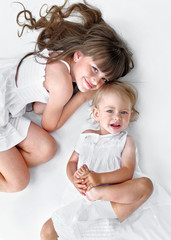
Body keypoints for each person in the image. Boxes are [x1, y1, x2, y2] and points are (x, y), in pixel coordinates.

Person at [0, 0, 134, 192]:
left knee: (46, 149)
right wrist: (82, 98)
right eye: (95, 69)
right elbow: (49, 124)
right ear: (78, 55)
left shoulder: (60, 58)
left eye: (104, 80)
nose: (96, 82)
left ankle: (8, 165)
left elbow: (38, 107)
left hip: (8, 111)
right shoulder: (63, 85)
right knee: (18, 182)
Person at [40, 81, 153, 240]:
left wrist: (99, 179)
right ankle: (93, 195)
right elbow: (72, 162)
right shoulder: (86, 136)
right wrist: (75, 180)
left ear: (130, 115)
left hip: (110, 202)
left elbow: (127, 172)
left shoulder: (125, 141)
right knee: (46, 231)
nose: (117, 116)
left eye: (123, 112)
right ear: (96, 114)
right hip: (81, 200)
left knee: (146, 185)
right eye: (110, 111)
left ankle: (98, 193)